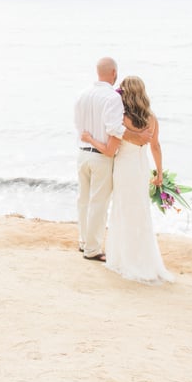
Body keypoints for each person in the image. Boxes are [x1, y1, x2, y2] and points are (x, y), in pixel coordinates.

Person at [81, 75, 174, 284]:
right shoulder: (152, 118)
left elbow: (110, 149)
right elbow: (156, 147)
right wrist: (159, 173)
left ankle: (124, 259)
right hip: (141, 168)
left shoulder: (121, 119)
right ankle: (145, 260)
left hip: (124, 169)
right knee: (140, 212)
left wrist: (89, 139)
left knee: (123, 211)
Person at [73, 58, 151, 262]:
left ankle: (83, 241)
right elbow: (114, 129)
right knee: (99, 203)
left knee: (83, 200)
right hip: (101, 156)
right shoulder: (112, 97)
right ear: (114, 73)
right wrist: (138, 138)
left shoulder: (82, 94)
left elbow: (78, 126)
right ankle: (92, 249)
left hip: (82, 153)